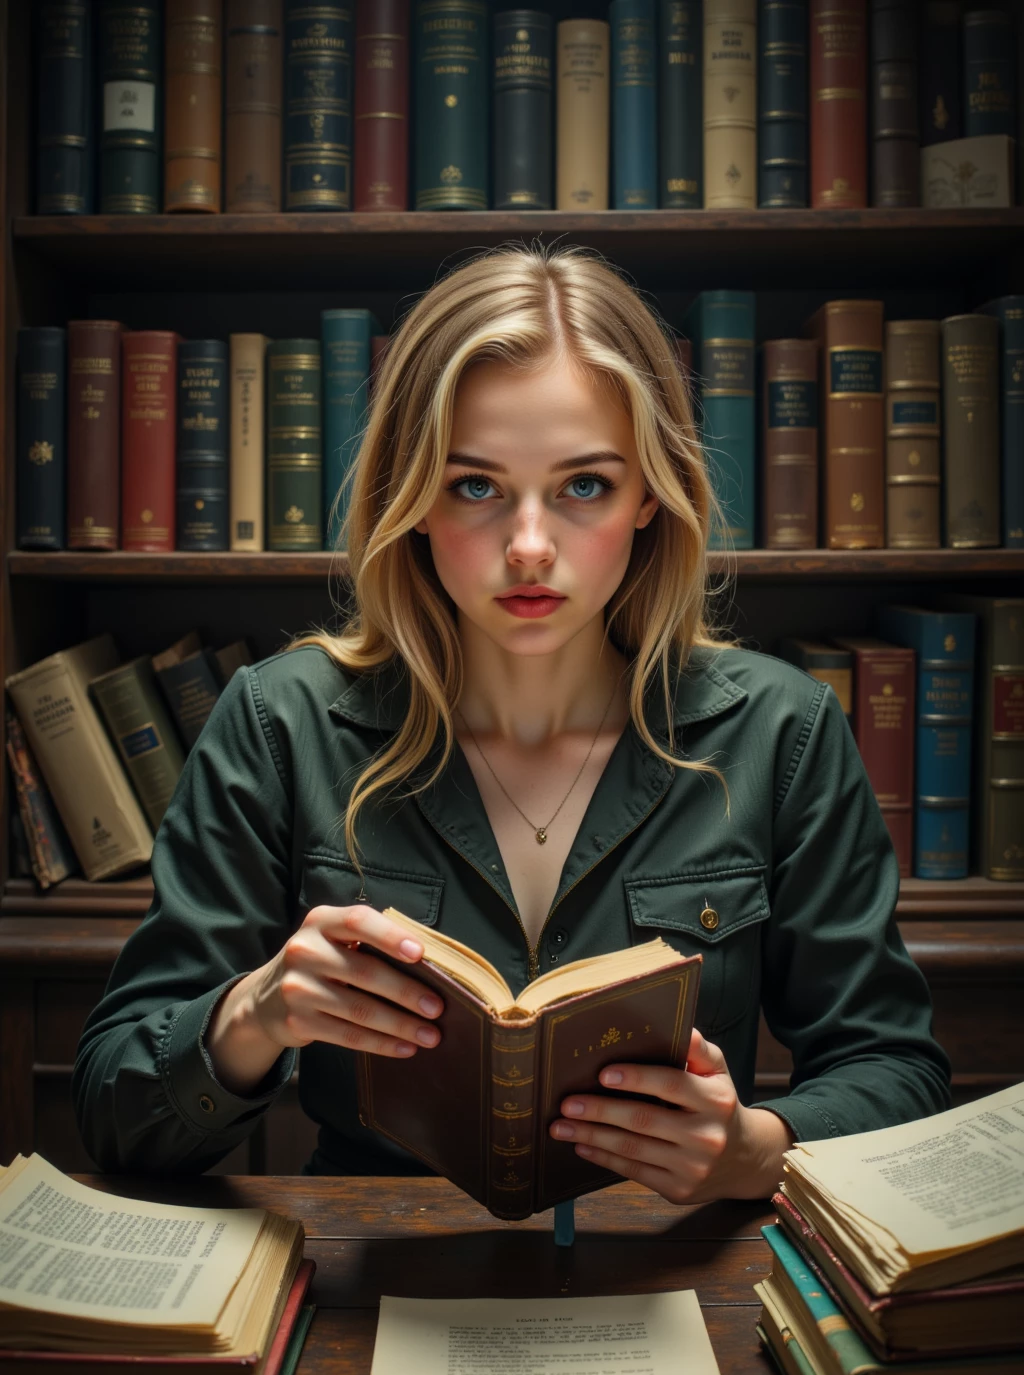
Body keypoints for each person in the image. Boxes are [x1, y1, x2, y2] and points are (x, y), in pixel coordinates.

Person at [72, 246, 950, 1202]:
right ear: (410, 498)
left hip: (675, 1288)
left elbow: (897, 1074)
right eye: (476, 486)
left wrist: (754, 1147)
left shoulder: (783, 731)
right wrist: (253, 1014)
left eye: (584, 486)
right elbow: (116, 1118)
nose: (530, 547)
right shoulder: (280, 724)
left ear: (651, 492)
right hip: (375, 1287)